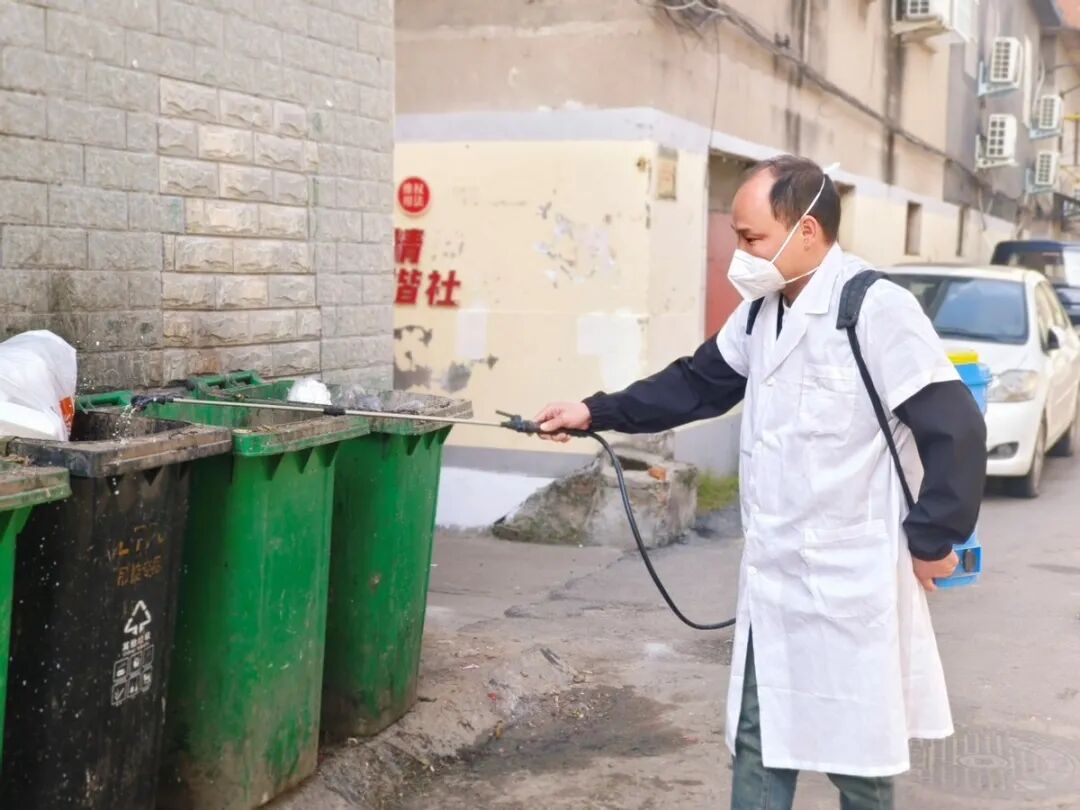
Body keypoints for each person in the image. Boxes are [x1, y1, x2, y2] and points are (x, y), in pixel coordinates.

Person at [534, 155, 987, 810]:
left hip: (851, 583)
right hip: (775, 586)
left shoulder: (874, 309)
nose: (740, 256)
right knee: (759, 740)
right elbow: (695, 384)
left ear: (808, 231)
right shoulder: (759, 315)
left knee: (857, 762)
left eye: (752, 239)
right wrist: (593, 411)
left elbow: (956, 429)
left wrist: (931, 538)